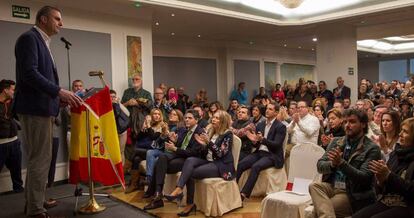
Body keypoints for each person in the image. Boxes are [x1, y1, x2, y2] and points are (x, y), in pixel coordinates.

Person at [14, 6, 83, 217]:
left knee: (41, 158)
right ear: (43, 19)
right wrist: (58, 91)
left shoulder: (42, 41)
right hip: (35, 109)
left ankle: (35, 201)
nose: (61, 24)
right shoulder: (29, 39)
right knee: (40, 159)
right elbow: (29, 74)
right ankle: (35, 209)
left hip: (43, 107)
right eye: (57, 19)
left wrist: (57, 99)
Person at [309, 109, 381, 218]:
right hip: (332, 185)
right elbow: (320, 165)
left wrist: (341, 163)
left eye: (352, 122)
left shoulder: (371, 148)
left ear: (363, 124)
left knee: (314, 213)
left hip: (351, 193)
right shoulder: (336, 142)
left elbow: (364, 178)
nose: (347, 125)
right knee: (314, 186)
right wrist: (332, 164)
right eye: (346, 122)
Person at [165, 110, 234, 216]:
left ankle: (189, 204)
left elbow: (220, 154)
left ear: (223, 121)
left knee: (190, 173)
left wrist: (208, 142)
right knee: (190, 160)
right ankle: (179, 189)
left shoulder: (227, 134)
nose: (213, 119)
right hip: (208, 161)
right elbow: (206, 152)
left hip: (221, 165)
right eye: (213, 117)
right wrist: (203, 145)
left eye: (217, 118)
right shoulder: (211, 131)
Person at [143, 109, 205, 210]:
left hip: (190, 161)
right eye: (185, 118)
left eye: (190, 118)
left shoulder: (200, 132)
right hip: (180, 156)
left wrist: (175, 148)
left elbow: (194, 153)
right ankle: (158, 194)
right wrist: (174, 141)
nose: (186, 120)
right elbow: (180, 146)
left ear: (196, 120)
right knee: (162, 158)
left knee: (159, 163)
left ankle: (155, 194)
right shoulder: (185, 130)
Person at [353, 117, 414, 218]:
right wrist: (380, 180)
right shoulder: (397, 153)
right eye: (401, 130)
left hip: (408, 205)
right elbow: (383, 188)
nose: (400, 134)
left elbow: (411, 191)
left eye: (405, 132)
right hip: (388, 201)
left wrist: (388, 175)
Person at [237, 103, 287, 200]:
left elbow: (277, 145)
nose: (267, 110)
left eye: (270, 109)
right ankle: (233, 189)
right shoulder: (260, 125)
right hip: (259, 152)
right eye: (267, 108)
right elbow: (256, 144)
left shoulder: (280, 126)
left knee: (256, 166)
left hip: (272, 155)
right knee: (241, 164)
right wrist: (254, 141)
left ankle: (243, 194)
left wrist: (262, 140)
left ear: (276, 113)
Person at [0, 80, 23, 193]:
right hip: (1, 144)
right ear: (5, 90)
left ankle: (19, 194)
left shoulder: (13, 103)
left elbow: (19, 118)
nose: (14, 92)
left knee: (17, 173)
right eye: (13, 90)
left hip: (14, 142)